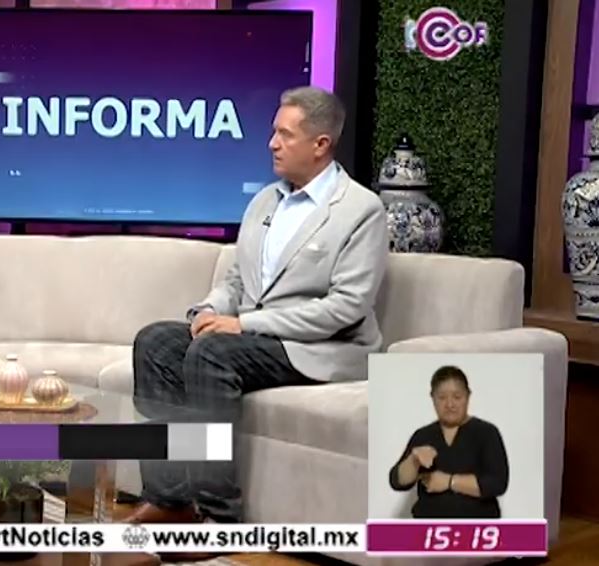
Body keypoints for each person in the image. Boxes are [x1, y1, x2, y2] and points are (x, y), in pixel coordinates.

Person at [128, 86, 389, 530]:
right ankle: (170, 499)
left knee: (213, 354)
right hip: (253, 335)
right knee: (156, 343)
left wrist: (245, 324)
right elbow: (237, 279)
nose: (272, 144)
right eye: (274, 132)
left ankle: (219, 516)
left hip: (318, 347)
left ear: (320, 144)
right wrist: (207, 311)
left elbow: (345, 308)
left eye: (285, 135)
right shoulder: (265, 200)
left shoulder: (362, 210)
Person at [389, 365, 510, 519]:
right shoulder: (423, 435)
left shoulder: (487, 432)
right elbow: (396, 481)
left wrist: (449, 482)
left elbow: (497, 483)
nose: (450, 404)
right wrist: (413, 460)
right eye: (442, 397)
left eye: (457, 397)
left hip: (479, 527)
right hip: (428, 527)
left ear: (468, 396)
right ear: (432, 398)